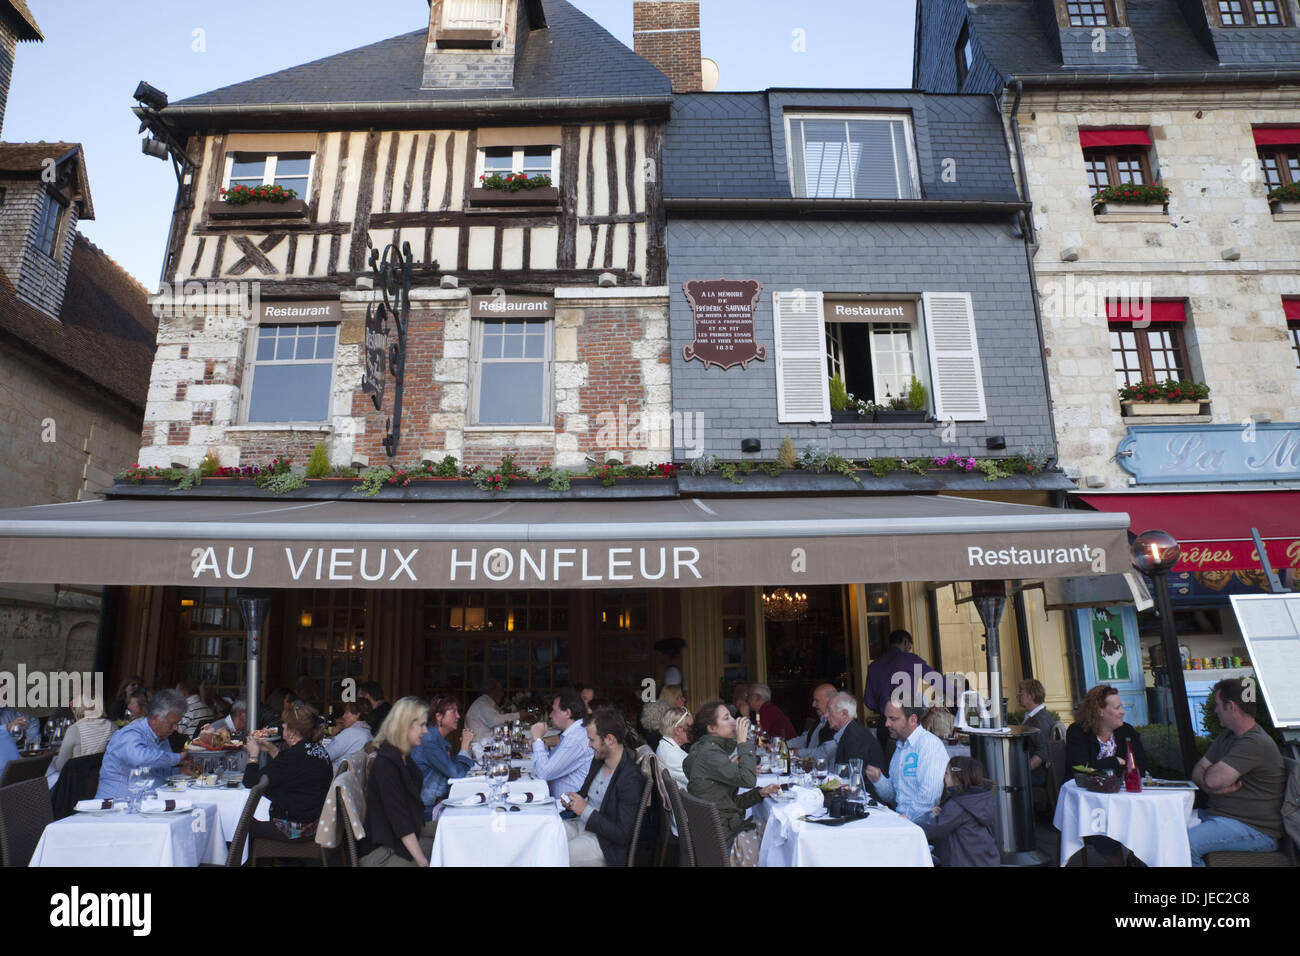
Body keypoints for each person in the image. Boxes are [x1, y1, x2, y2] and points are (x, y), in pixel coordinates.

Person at [1187, 677, 1286, 866]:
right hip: (1221, 817)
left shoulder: (1254, 743)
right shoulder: (1229, 736)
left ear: (1231, 706)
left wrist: (1211, 782)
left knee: (1184, 844)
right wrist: (1212, 786)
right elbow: (1199, 771)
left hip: (1254, 829)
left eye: (1217, 705)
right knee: (1167, 830)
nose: (1215, 710)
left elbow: (1213, 779)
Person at [683, 700, 780, 865]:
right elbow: (748, 779)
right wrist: (744, 742)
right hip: (722, 841)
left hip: (714, 834)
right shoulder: (710, 755)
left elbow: (728, 802)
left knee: (771, 830)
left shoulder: (705, 750)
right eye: (726, 718)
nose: (734, 721)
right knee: (777, 838)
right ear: (711, 728)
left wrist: (760, 793)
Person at [563, 707, 645, 867]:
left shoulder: (630, 778)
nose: (589, 744)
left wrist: (584, 809)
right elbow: (587, 794)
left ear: (609, 739)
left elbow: (623, 834)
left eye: (592, 740)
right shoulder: (599, 760)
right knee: (547, 837)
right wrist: (573, 800)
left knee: (558, 852)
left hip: (604, 843)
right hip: (581, 824)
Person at [243, 699, 333, 843]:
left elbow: (250, 781)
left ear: (292, 732)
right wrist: (272, 749)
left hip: (296, 829)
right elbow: (294, 771)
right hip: (315, 822)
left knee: (238, 824)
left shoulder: (293, 757)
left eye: (285, 724)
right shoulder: (317, 750)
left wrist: (253, 756)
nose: (282, 725)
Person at [360, 697, 435, 867]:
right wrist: (423, 862)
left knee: (451, 835)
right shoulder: (386, 764)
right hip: (381, 850)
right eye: (422, 725)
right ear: (405, 725)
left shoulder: (402, 756)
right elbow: (400, 821)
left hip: (398, 835)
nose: (426, 731)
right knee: (443, 851)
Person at [96, 689, 193, 799]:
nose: (176, 728)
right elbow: (140, 759)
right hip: (116, 806)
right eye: (173, 723)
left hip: (149, 804)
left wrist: (180, 771)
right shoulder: (129, 734)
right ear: (156, 718)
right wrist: (178, 758)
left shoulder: (162, 737)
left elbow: (159, 771)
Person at [866, 701, 948, 824]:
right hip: (902, 822)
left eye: (893, 719)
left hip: (923, 831)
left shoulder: (930, 745)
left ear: (913, 720)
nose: (886, 724)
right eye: (886, 718)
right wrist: (878, 780)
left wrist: (903, 820)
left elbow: (929, 798)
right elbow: (895, 796)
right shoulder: (900, 746)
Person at [918, 756, 1001, 866]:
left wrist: (912, 827)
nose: (944, 776)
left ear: (957, 778)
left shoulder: (958, 804)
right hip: (983, 859)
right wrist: (944, 814)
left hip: (965, 861)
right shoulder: (977, 798)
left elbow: (935, 829)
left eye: (947, 773)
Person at [865, 629, 937, 756]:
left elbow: (869, 702)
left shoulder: (874, 666)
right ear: (905, 642)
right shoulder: (910, 660)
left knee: (888, 768)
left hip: (884, 723)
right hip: (907, 721)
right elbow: (935, 679)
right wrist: (957, 692)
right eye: (909, 646)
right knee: (911, 766)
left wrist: (885, 709)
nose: (909, 650)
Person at [412, 694, 475, 814]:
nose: (458, 716)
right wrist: (465, 745)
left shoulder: (441, 740)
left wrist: (467, 748)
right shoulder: (429, 741)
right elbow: (457, 774)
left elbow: (457, 767)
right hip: (425, 812)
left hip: (438, 804)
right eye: (453, 712)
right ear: (439, 717)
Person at [1066, 685, 1147, 777]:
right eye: (1117, 708)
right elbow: (1080, 768)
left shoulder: (1127, 731)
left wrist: (1098, 765)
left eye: (1121, 707)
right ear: (1099, 711)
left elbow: (1140, 767)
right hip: (1084, 789)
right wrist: (1115, 761)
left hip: (1121, 789)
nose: (1123, 712)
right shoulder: (1078, 732)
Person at [530, 690, 594, 798]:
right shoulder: (573, 733)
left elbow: (544, 773)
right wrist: (538, 746)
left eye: (554, 711)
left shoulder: (576, 738)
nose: (550, 715)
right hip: (560, 801)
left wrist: (537, 740)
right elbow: (549, 763)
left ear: (567, 713)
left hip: (567, 808)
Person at [827, 693, 884, 787]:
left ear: (844, 713)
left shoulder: (855, 738)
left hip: (868, 797)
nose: (826, 715)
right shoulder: (851, 731)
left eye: (829, 711)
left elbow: (854, 781)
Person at [52, 699, 116, 773]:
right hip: (104, 777)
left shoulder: (75, 729)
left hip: (79, 780)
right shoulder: (112, 726)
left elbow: (61, 766)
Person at [1017, 678, 1054, 784]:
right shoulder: (1034, 716)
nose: (1019, 696)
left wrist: (1021, 772)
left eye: (1022, 693)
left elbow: (1042, 752)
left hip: (1036, 776)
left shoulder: (1039, 719)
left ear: (1031, 696)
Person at [322, 699, 373, 775]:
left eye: (346, 712)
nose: (343, 716)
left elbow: (325, 756)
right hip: (352, 779)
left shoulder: (351, 733)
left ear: (357, 715)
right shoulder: (367, 732)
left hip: (335, 779)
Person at [789, 683, 838, 759]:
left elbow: (823, 752)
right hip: (809, 766)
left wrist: (796, 752)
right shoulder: (821, 720)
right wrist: (782, 746)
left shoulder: (837, 725)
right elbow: (805, 739)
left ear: (830, 701)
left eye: (817, 700)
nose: (813, 704)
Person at [656, 706, 691, 790]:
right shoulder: (671, 755)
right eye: (691, 727)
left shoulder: (665, 745)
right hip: (695, 801)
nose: (694, 730)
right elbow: (700, 781)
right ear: (678, 730)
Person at [640, 683, 685, 748]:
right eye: (679, 697)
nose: (684, 699)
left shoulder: (673, 719)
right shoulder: (662, 727)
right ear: (672, 700)